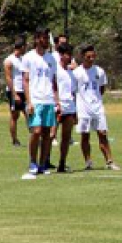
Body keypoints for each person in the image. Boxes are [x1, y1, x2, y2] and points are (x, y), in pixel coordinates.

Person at [72, 45, 121, 170]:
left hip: (97, 108)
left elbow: (101, 89)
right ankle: (88, 162)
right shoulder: (77, 73)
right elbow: (73, 91)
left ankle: (109, 161)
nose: (91, 59)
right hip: (83, 109)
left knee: (103, 134)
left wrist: (95, 100)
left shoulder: (99, 71)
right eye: (89, 56)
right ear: (83, 57)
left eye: (93, 56)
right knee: (85, 136)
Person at [21, 27, 59, 175]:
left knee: (47, 134)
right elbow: (25, 80)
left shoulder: (51, 58)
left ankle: (43, 164)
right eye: (42, 38)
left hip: (49, 100)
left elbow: (53, 81)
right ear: (36, 39)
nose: (45, 41)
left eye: (46, 38)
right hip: (35, 100)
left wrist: (57, 101)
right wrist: (29, 101)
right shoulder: (28, 57)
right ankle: (32, 161)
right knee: (36, 131)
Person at [54, 43, 77, 173]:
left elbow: (73, 92)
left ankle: (62, 163)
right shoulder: (56, 69)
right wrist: (57, 103)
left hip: (70, 107)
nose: (70, 57)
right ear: (61, 55)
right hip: (57, 107)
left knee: (66, 137)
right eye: (68, 54)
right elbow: (53, 87)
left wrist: (76, 111)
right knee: (50, 135)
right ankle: (44, 162)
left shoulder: (71, 72)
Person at [3, 36, 27, 147]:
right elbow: (8, 78)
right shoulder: (9, 60)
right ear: (21, 47)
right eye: (25, 47)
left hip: (24, 90)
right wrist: (14, 94)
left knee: (29, 114)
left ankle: (35, 136)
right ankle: (14, 140)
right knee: (15, 115)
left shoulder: (23, 59)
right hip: (15, 90)